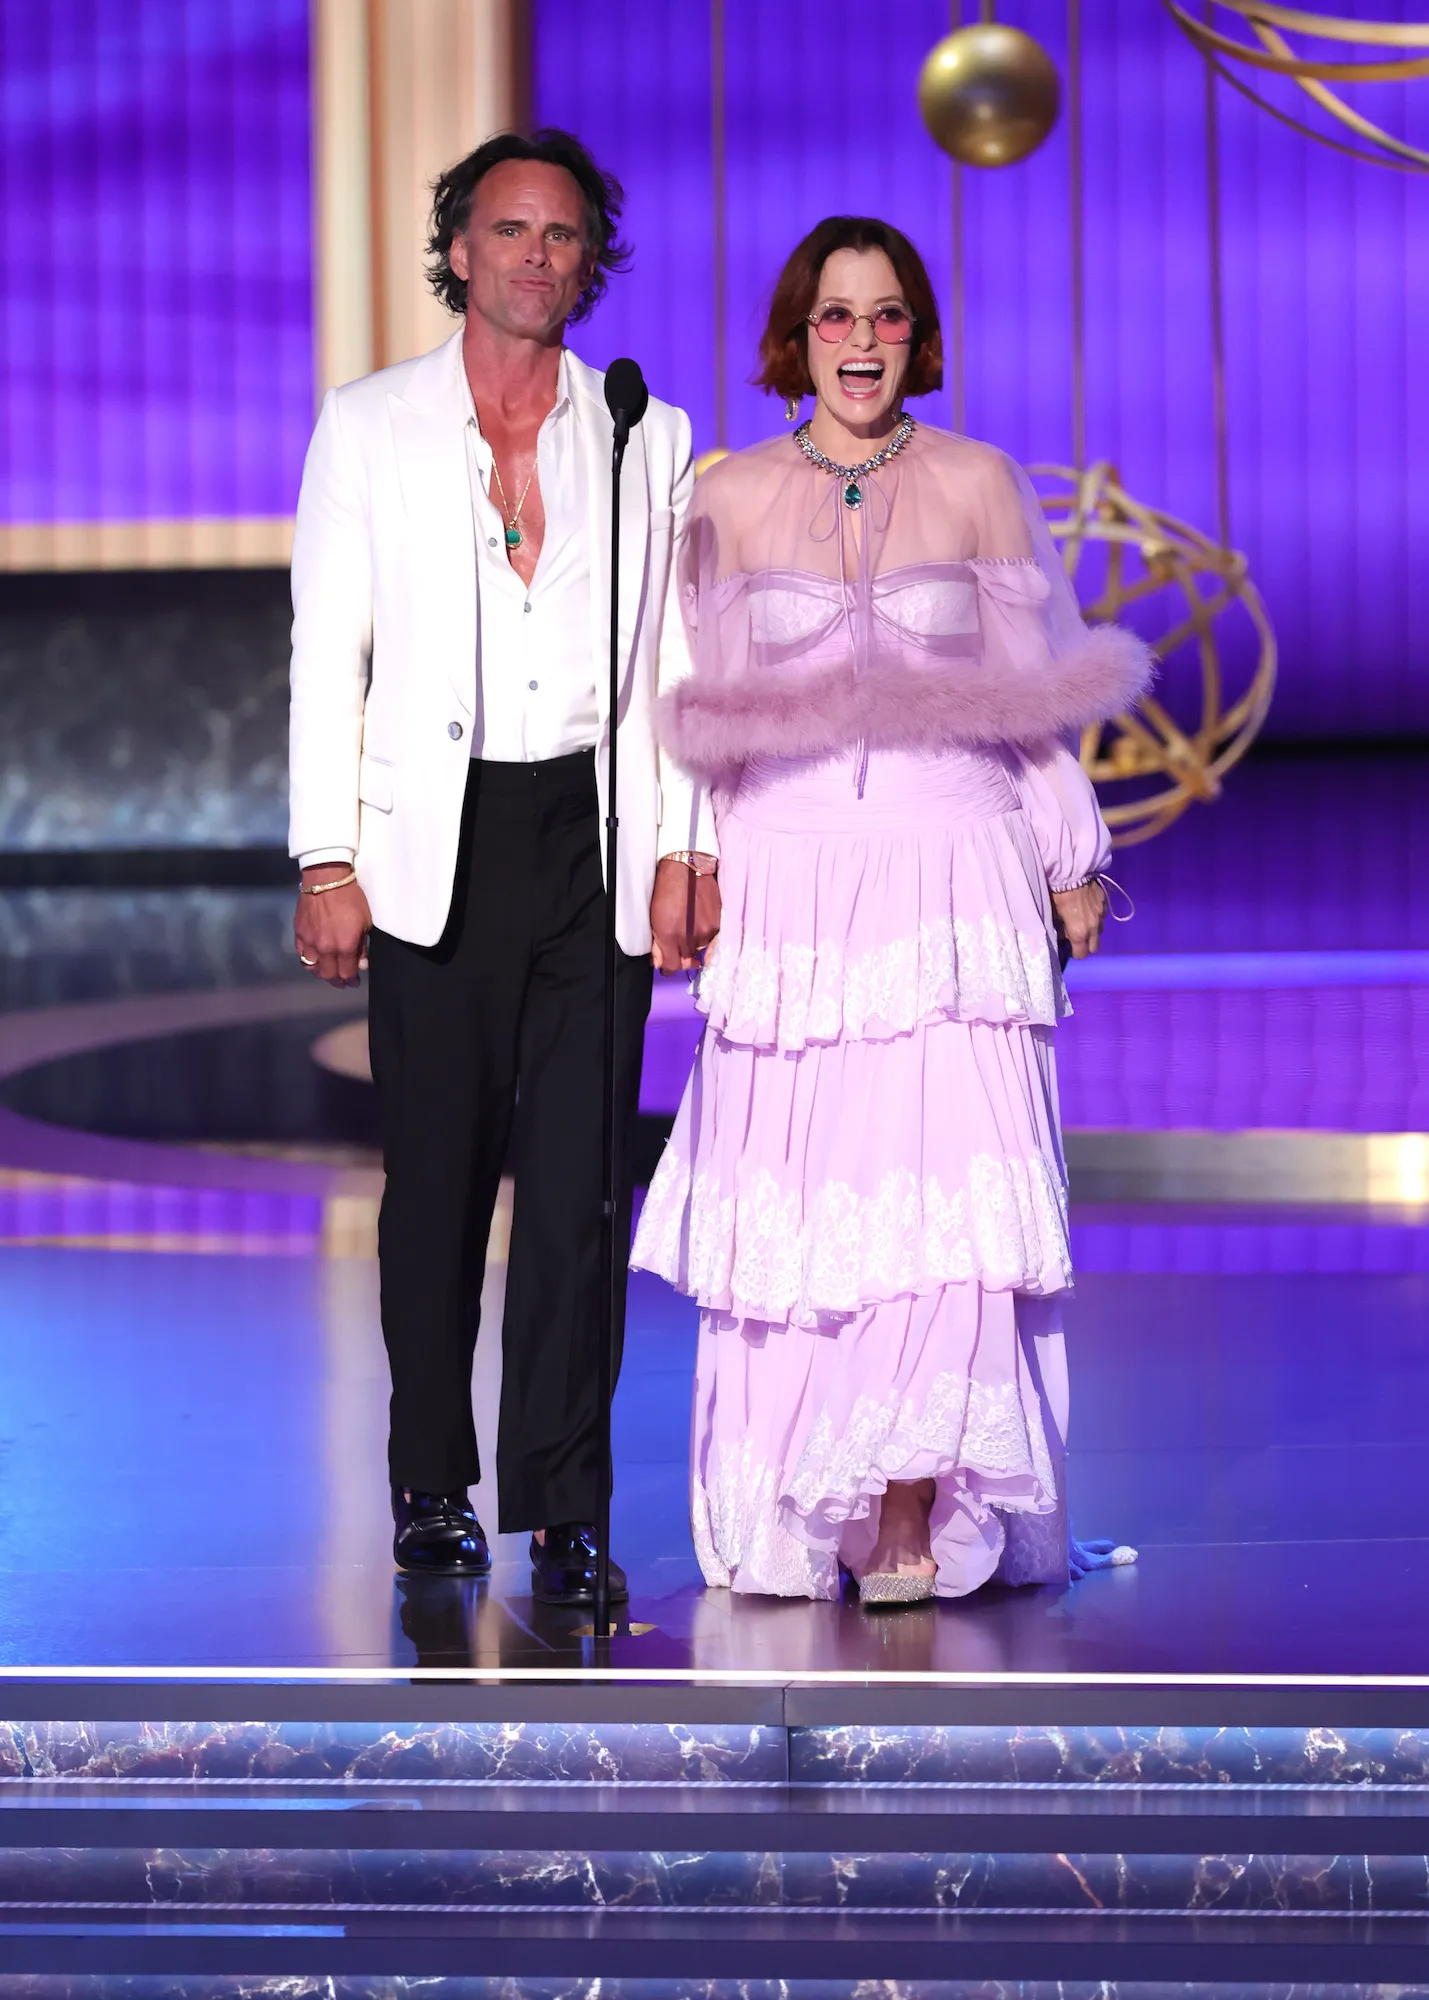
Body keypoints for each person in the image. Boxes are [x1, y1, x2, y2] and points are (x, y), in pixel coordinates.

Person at [632, 217, 1148, 1605]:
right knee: (813, 1210)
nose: (862, 342)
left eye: (888, 317)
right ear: (796, 337)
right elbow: (684, 712)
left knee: (943, 1219)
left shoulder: (978, 481)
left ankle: (914, 1511)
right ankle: (814, 1496)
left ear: (919, 337)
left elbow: (1033, 696)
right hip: (792, 873)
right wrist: (688, 858)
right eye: (837, 317)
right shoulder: (724, 495)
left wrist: (1070, 852)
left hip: (950, 868)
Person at [289, 129, 718, 1604]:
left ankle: (565, 1503)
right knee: (438, 1188)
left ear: (591, 259)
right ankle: (430, 1484)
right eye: (509, 230)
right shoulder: (370, 425)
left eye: (562, 233)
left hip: (588, 840)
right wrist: (327, 855)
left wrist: (684, 845)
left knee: (584, 1192)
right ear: (458, 250)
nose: (537, 255)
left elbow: (681, 659)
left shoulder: (645, 431)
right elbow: (323, 657)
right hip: (431, 845)